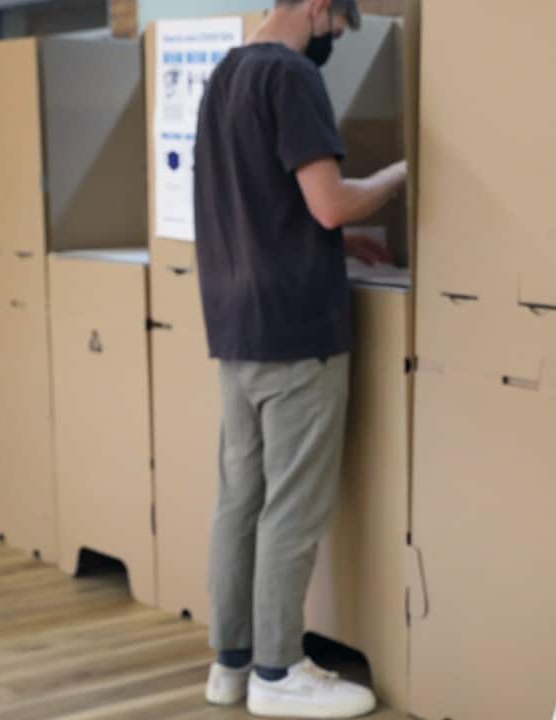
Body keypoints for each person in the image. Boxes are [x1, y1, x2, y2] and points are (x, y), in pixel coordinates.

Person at [192, 0, 407, 716]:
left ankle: (231, 665)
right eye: (339, 25)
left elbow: (265, 205)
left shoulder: (225, 75)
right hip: (297, 332)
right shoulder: (289, 76)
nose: (335, 41)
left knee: (239, 501)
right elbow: (329, 203)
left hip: (237, 327)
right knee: (292, 507)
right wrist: (402, 172)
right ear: (317, 5)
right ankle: (279, 672)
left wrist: (335, 243)